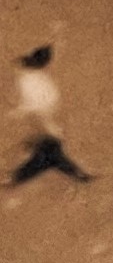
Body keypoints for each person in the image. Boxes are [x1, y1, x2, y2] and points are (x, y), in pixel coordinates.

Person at [11, 47, 89, 185]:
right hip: (41, 120)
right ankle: (79, 174)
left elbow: (38, 105)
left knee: (49, 153)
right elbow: (43, 104)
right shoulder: (34, 80)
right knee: (53, 153)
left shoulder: (30, 79)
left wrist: (21, 111)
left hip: (41, 119)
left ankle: (17, 177)